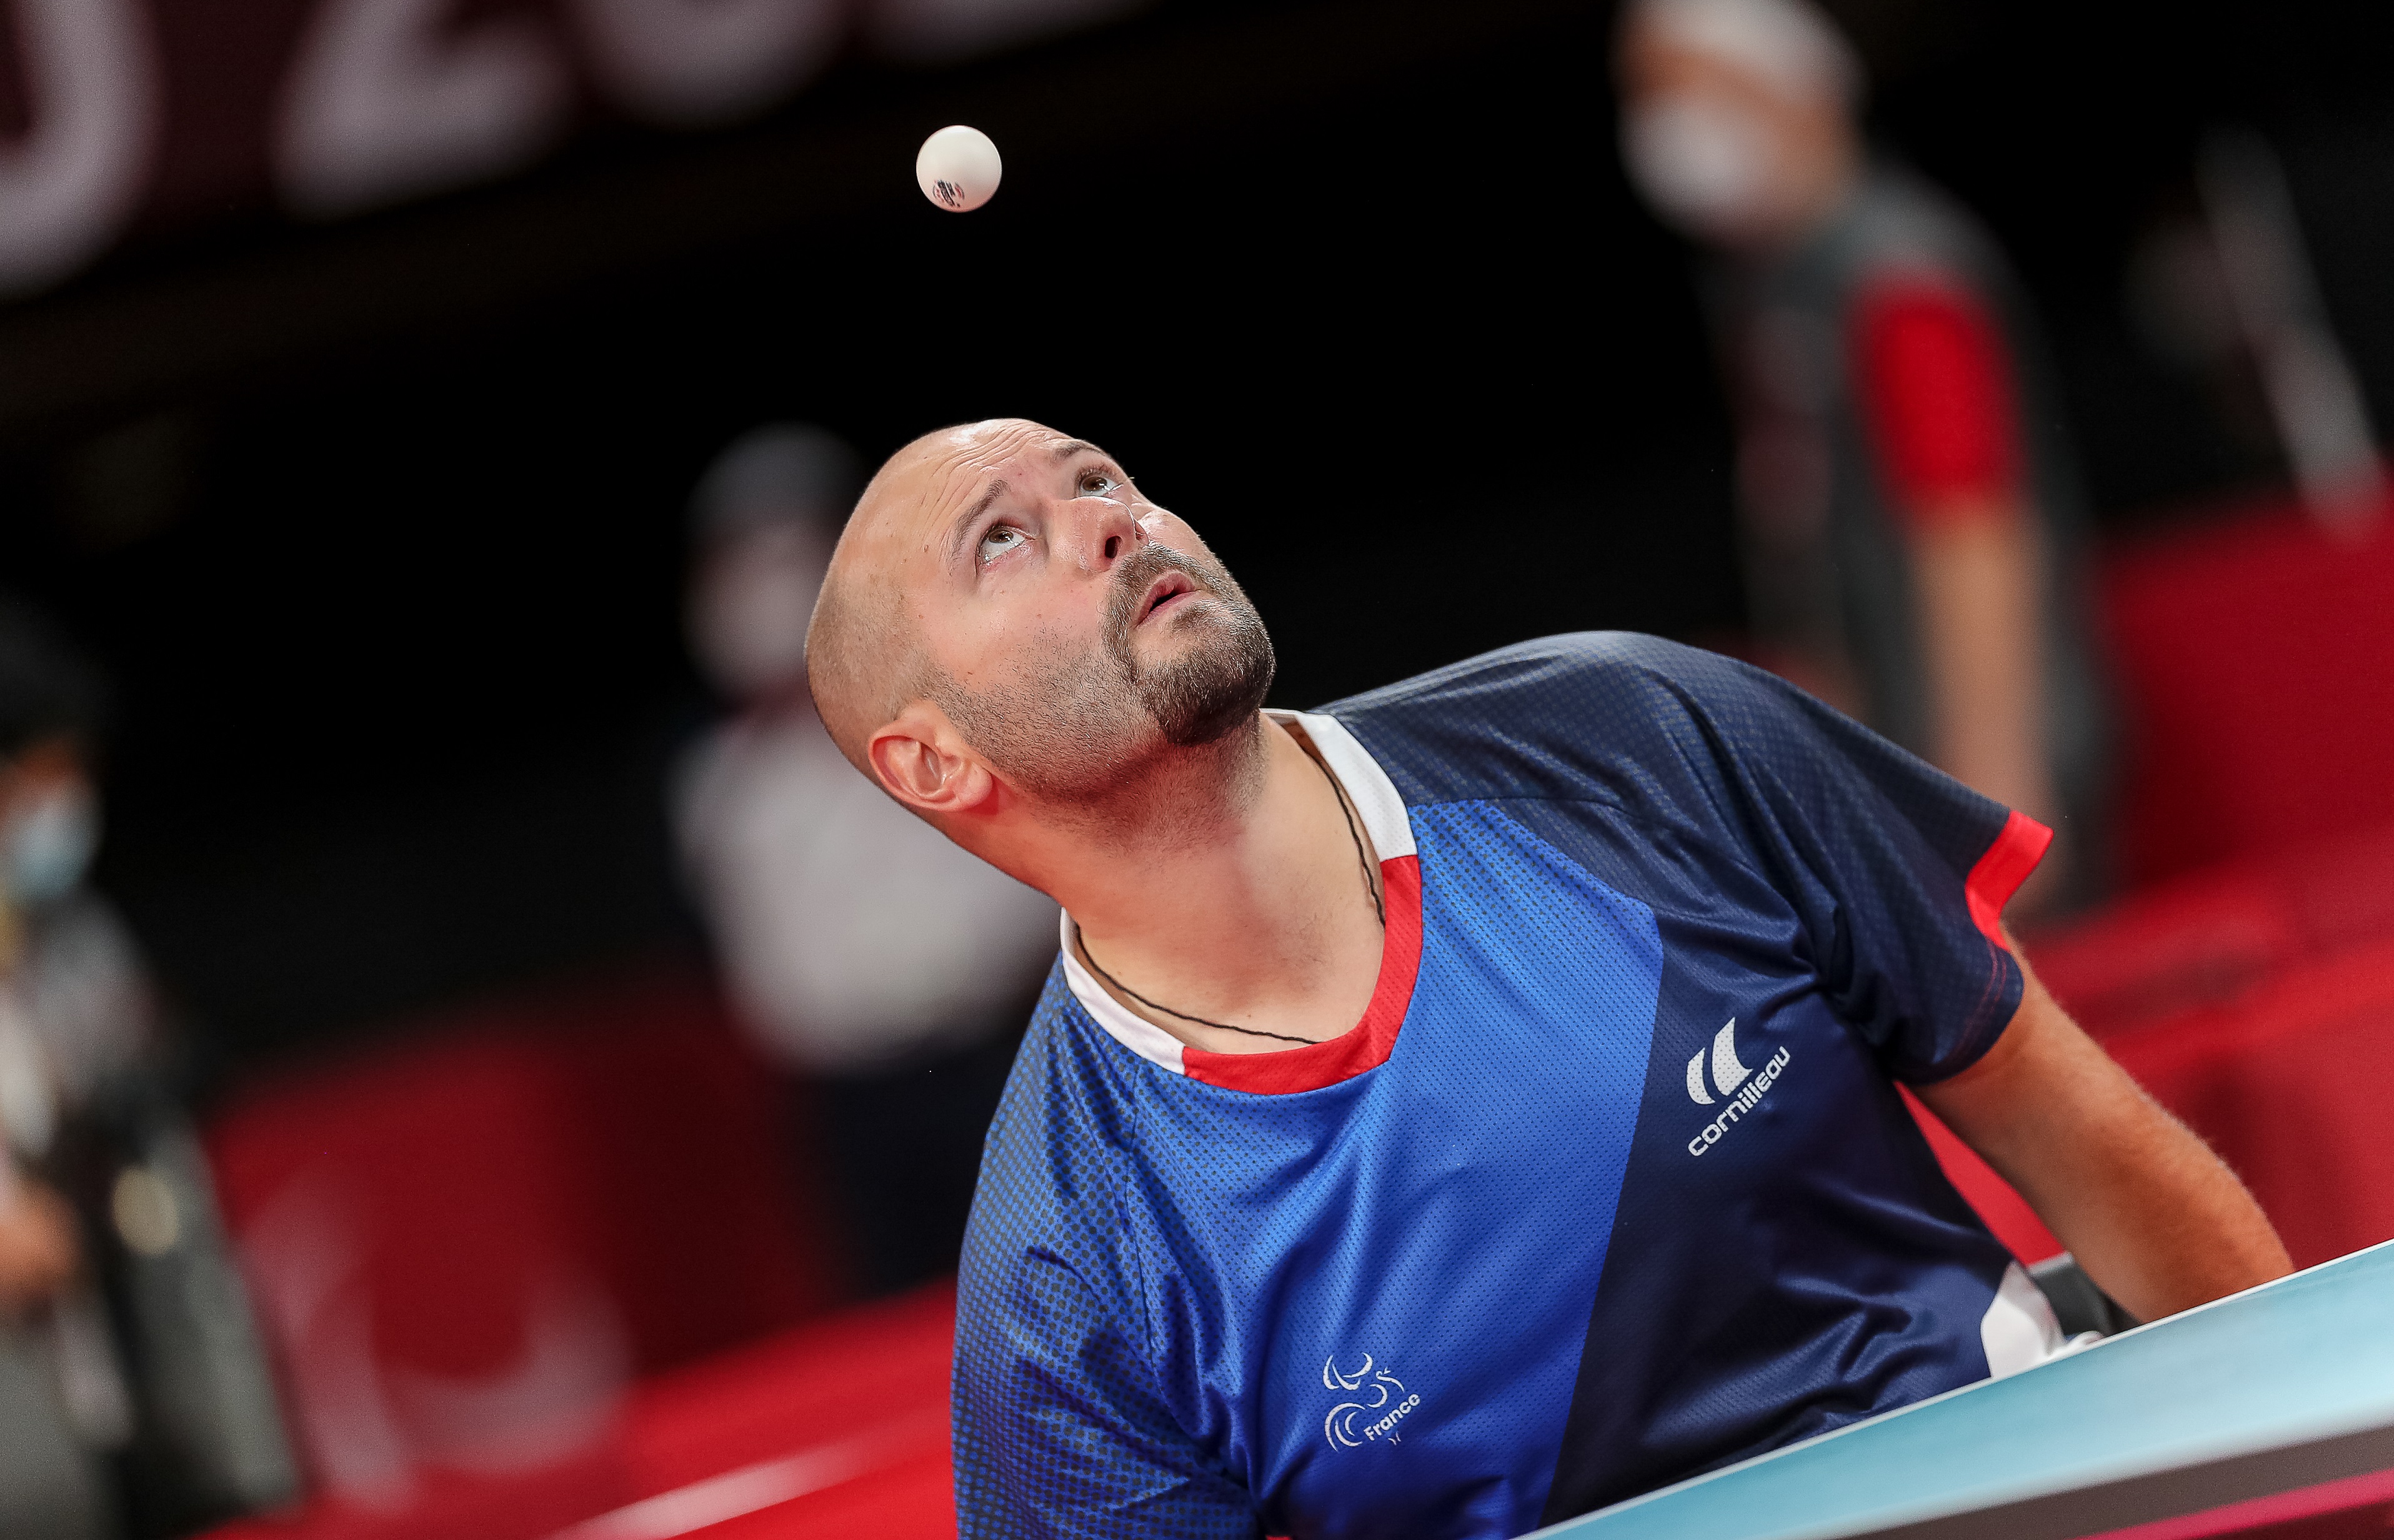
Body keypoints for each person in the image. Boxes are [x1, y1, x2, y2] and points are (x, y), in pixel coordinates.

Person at [802, 419, 2289, 1539]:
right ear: (932, 761)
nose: (1107, 520)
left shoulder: (1630, 734)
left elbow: (2078, 1130)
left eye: (1098, 477)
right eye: (1002, 539)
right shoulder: (1063, 1265)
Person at [1614, 0, 2108, 911]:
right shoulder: (1774, 291)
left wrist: (1997, 786)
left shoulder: (1898, 281)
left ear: (1784, 79)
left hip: (1980, 774)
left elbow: (1970, 529)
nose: (1662, 125)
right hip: (1897, 777)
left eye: (1679, 87)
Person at [672, 425, 1058, 1296]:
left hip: (997, 1057)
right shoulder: (718, 783)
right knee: (906, 1315)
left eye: (794, 551)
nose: (769, 587)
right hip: (849, 1103)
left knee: (1060, 1291)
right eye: (745, 560)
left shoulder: (961, 698)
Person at [0, 602, 292, 1539]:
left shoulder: (73, 936)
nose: (65, 802)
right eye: (44, 776)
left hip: (125, 1365)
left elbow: (152, 1059)